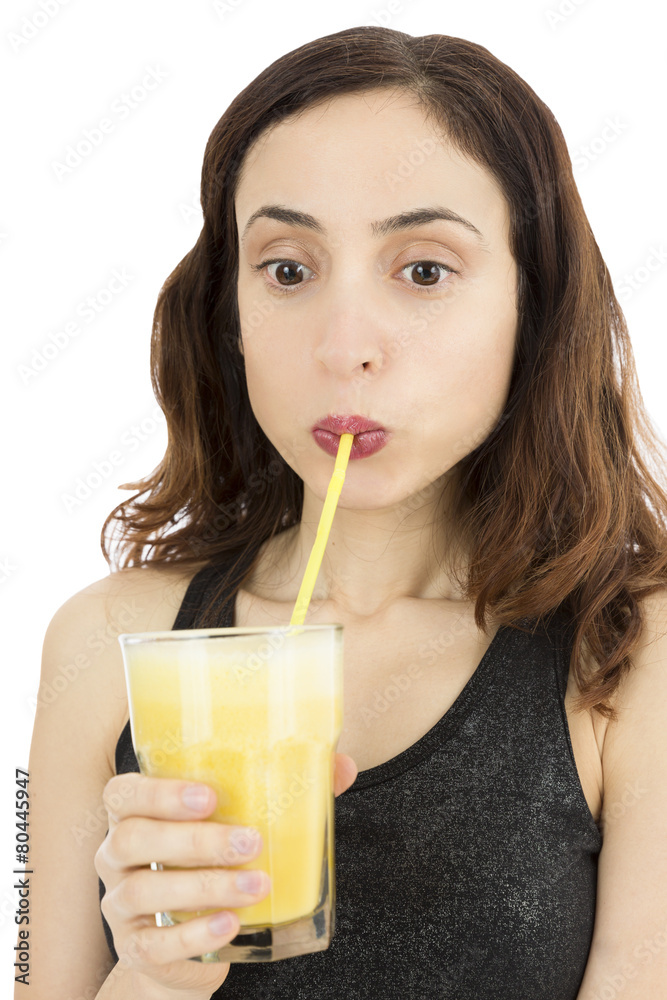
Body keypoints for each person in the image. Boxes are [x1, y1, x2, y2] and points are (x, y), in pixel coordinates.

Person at [22, 25, 667, 1000]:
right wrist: (158, 977)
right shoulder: (100, 645)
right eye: (287, 269)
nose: (345, 346)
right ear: (230, 314)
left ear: (532, 304)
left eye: (423, 270)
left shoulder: (627, 647)